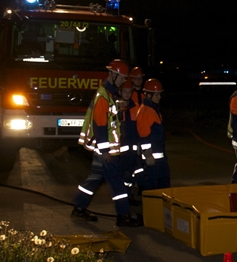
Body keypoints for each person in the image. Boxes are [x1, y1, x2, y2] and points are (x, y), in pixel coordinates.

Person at [73, 59, 142, 226]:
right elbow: (100, 125)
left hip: (105, 149)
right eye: (122, 77)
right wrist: (105, 151)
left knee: (94, 178)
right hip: (107, 151)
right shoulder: (103, 96)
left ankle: (79, 208)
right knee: (117, 183)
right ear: (113, 75)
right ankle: (123, 216)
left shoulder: (109, 94)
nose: (123, 81)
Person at [136, 78, 170, 190]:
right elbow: (143, 136)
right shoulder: (145, 111)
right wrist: (148, 155)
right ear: (149, 95)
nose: (159, 97)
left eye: (160, 94)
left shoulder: (153, 109)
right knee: (152, 186)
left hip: (159, 159)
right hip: (152, 160)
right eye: (157, 95)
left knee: (163, 184)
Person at [116, 79, 141, 206]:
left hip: (133, 147)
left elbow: (139, 126)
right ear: (120, 92)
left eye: (129, 92)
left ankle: (129, 195)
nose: (127, 94)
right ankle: (124, 197)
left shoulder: (136, 107)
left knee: (133, 172)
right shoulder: (116, 107)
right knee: (124, 173)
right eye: (124, 91)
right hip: (121, 148)